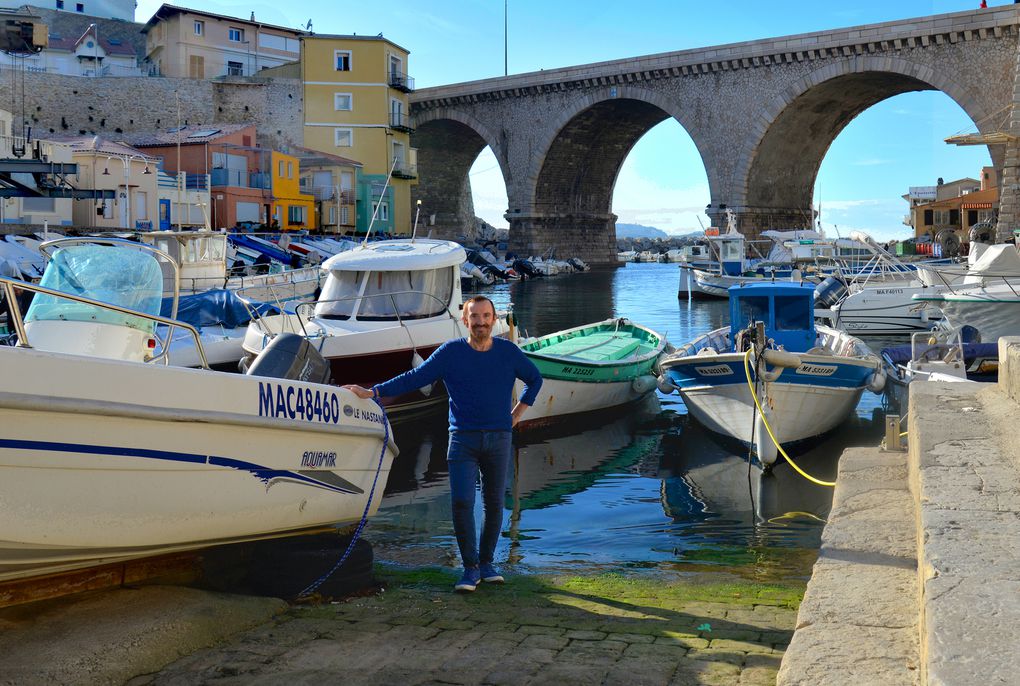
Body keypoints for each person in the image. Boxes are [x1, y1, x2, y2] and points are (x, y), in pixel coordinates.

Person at [344, 295, 542, 592]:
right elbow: (414, 377)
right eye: (474, 316)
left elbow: (535, 379)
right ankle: (470, 569)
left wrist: (516, 415)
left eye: (486, 316)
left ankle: (487, 564)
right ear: (465, 321)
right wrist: (373, 392)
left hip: (499, 438)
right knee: (462, 502)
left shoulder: (508, 352)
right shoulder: (450, 353)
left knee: (494, 503)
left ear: (493, 319)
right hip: (462, 438)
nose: (481, 322)